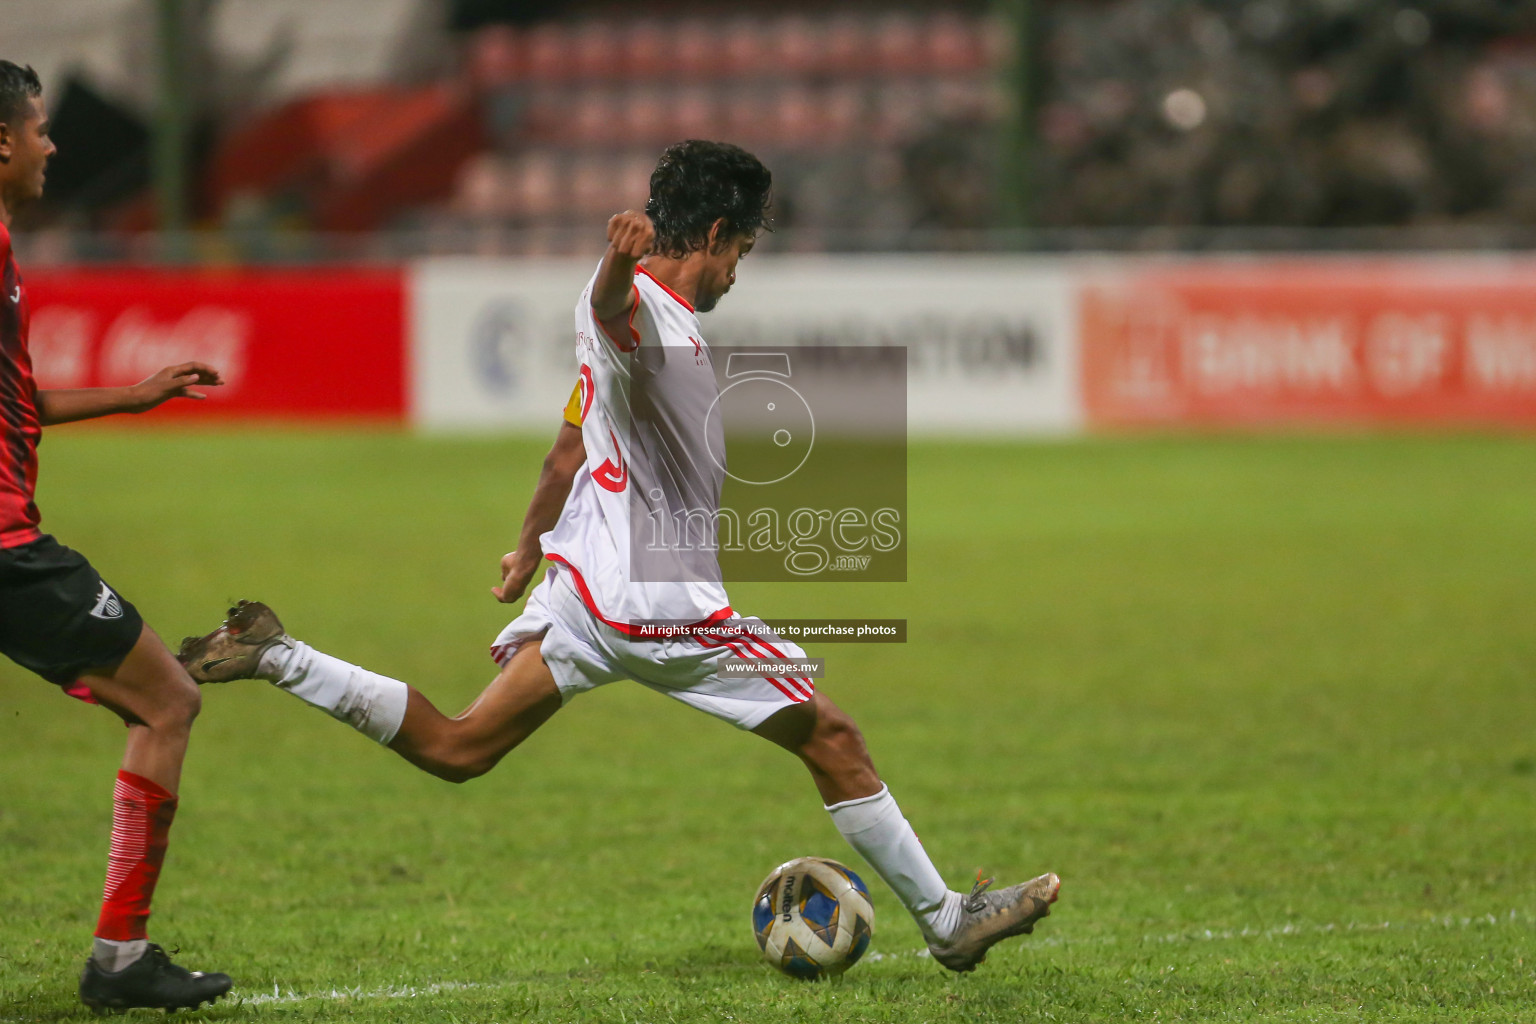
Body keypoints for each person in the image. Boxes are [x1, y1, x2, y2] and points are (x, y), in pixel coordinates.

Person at [179, 140, 1059, 972]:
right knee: (832, 735)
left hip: (582, 589)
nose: (737, 272)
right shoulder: (642, 313)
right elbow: (613, 305)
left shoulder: (628, 331)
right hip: (656, 604)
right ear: (714, 235)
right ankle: (948, 923)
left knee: (460, 747)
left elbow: (568, 447)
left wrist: (527, 546)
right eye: (740, 251)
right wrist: (614, 265)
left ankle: (280, 656)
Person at [0, 61, 233, 1011]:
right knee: (167, 703)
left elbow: (21, 402)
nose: (52, 145)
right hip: (8, 552)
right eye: (40, 128)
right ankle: (121, 959)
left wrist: (132, 398)